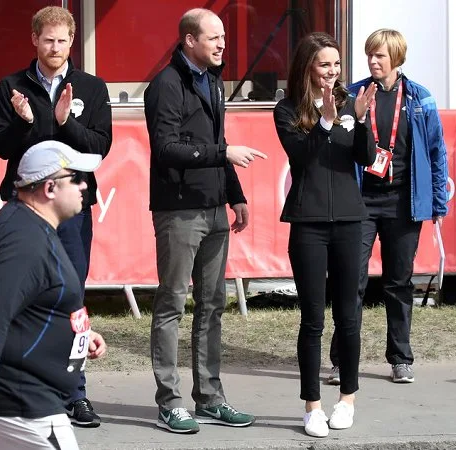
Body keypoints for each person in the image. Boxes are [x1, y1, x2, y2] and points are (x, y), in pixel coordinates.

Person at [144, 8, 267, 434]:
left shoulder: (213, 80)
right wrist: (222, 156)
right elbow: (166, 149)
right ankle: (170, 402)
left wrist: (236, 195)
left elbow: (218, 142)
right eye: (213, 38)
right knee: (172, 304)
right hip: (179, 210)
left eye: (223, 38)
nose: (221, 45)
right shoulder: (165, 84)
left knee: (213, 306)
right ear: (189, 40)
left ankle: (210, 398)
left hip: (215, 207)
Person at [0, 5, 112, 427]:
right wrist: (25, 122)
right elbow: (2, 147)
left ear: (72, 42)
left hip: (71, 210)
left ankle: (74, 394)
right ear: (34, 40)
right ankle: (19, 390)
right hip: (25, 210)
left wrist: (64, 122)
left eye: (62, 41)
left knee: (72, 299)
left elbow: (100, 148)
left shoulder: (91, 88)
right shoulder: (13, 87)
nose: (55, 47)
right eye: (48, 40)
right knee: (20, 296)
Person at [0, 141, 107, 450]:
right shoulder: (23, 241)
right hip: (18, 404)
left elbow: (33, 302)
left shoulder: (33, 226)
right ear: (50, 187)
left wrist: (76, 332)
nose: (84, 185)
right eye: (75, 178)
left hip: (13, 400)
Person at [327, 29, 449, 386]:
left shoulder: (419, 98)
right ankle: (341, 361)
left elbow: (435, 153)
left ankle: (400, 358)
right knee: (352, 281)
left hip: (402, 203)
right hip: (359, 201)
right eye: (369, 55)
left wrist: (438, 202)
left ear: (396, 58)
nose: (373, 61)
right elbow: (336, 143)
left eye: (380, 55)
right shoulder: (353, 94)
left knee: (399, 283)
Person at [273, 32, 377, 438]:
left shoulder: (353, 101)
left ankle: (348, 398)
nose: (333, 72)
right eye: (324, 65)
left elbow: (366, 158)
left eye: (336, 64)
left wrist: (362, 121)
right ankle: (312, 406)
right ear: (307, 68)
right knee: (313, 319)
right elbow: (302, 156)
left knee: (348, 315)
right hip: (309, 223)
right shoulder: (286, 109)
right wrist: (328, 120)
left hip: (351, 221)